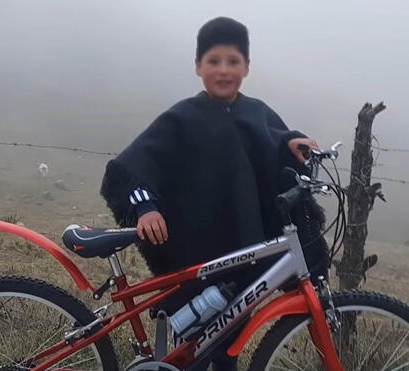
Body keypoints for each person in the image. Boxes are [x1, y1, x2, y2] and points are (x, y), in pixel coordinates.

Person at [100, 17, 328, 371]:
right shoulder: (181, 118)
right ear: (198, 67)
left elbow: (276, 143)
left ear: (247, 67)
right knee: (193, 345)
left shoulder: (257, 113)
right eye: (214, 61)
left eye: (233, 62)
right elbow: (133, 165)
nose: (224, 71)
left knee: (230, 344)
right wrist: (145, 207)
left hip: (244, 248)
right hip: (194, 249)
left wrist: (291, 142)